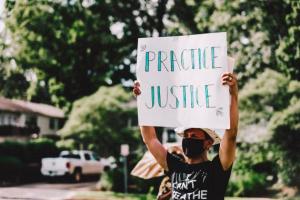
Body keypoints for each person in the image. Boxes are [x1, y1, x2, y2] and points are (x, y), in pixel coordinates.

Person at [133, 72, 239, 200]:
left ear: (208, 143)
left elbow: (231, 134)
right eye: (186, 136)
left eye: (193, 136)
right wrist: (142, 100)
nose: (188, 139)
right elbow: (150, 139)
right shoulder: (175, 167)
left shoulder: (217, 169)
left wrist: (233, 94)